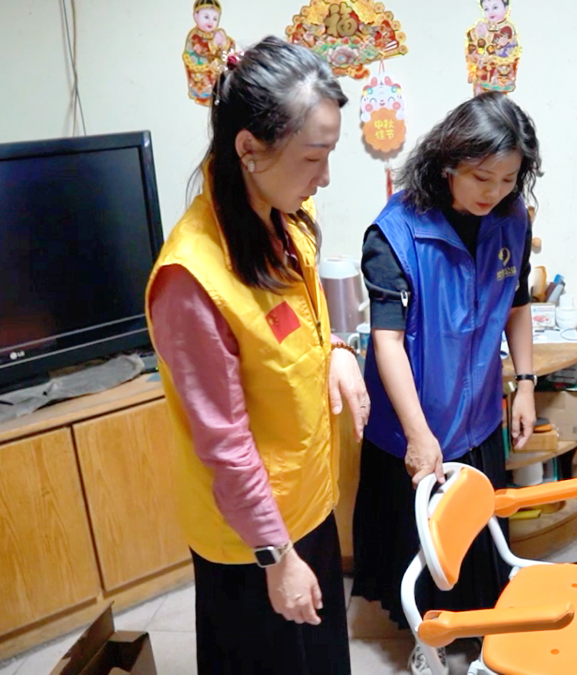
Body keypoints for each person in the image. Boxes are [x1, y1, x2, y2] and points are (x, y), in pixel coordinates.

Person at [146, 37, 366, 674]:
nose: (324, 177)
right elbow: (225, 443)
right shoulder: (191, 279)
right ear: (248, 148)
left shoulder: (281, 212)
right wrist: (277, 557)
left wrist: (337, 349)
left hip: (307, 501)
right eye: (313, 157)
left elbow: (294, 326)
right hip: (253, 540)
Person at [351, 91, 541, 675]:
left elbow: (517, 304)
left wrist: (525, 383)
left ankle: (477, 626)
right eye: (482, 177)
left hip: (478, 412)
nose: (495, 192)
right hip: (414, 421)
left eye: (508, 179)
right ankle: (425, 637)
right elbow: (387, 340)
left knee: (476, 539)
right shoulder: (395, 233)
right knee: (420, 548)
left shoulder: (510, 219)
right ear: (447, 162)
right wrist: (417, 434)